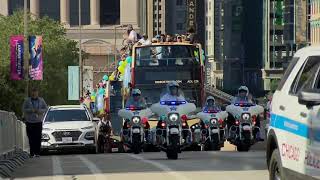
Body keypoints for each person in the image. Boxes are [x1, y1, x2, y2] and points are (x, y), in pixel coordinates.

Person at [22, 87, 48, 157]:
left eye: (35, 92)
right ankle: (32, 152)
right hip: (30, 121)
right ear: (31, 93)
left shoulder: (41, 100)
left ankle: (37, 152)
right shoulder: (27, 100)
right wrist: (31, 110)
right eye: (33, 92)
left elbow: (46, 108)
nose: (34, 93)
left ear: (37, 93)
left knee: (38, 137)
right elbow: (23, 109)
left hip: (38, 121)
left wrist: (39, 111)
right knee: (31, 137)